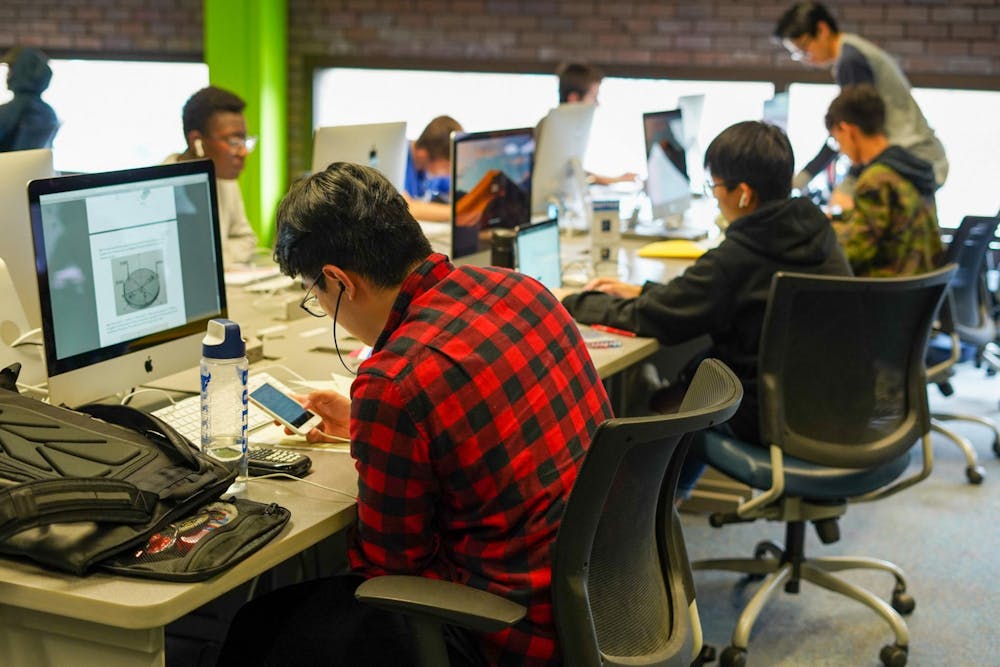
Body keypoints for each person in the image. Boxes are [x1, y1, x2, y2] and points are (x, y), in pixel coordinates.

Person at [216, 162, 614, 666]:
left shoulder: (395, 379)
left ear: (339, 280)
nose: (321, 303)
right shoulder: (521, 289)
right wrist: (372, 429)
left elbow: (389, 567)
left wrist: (385, 430)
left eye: (315, 294)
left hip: (505, 628)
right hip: (601, 592)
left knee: (257, 627)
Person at [556, 121, 851, 491]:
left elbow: (653, 319)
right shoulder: (813, 230)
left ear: (743, 194)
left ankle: (648, 515)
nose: (715, 197)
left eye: (716, 187)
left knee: (669, 407)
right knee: (681, 382)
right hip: (831, 403)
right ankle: (664, 499)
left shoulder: (742, 254)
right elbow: (707, 296)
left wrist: (570, 301)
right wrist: (644, 290)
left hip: (770, 415)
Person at [774, 2, 948, 191]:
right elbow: (845, 131)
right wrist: (806, 176)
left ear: (822, 30)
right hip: (919, 159)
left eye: (804, 49)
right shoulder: (854, 51)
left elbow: (857, 128)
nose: (806, 58)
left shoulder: (851, 61)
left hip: (910, 159)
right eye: (798, 54)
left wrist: (844, 184)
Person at [825, 84, 943, 277]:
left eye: (836, 139)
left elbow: (853, 252)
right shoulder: (910, 168)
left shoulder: (877, 179)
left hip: (887, 291)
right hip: (918, 287)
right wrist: (841, 218)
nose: (840, 149)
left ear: (847, 130)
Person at [165, 86, 259, 266]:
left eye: (244, 140)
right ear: (196, 142)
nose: (243, 151)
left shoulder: (224, 180)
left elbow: (246, 239)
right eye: (233, 141)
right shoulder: (157, 191)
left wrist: (210, 261)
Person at [553, 62, 637, 186]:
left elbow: (577, 173)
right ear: (574, 99)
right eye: (594, 97)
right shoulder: (555, 133)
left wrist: (615, 180)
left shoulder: (566, 130)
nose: (597, 104)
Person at [403, 114, 462, 222]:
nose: (450, 172)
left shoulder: (435, 167)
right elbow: (407, 208)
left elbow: (455, 192)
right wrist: (459, 212)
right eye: (446, 166)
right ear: (423, 154)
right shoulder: (399, 162)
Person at [0, 47, 59, 152]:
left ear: (21, 71)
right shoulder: (49, 113)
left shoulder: (9, 112)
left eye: (11, 69)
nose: (7, 75)